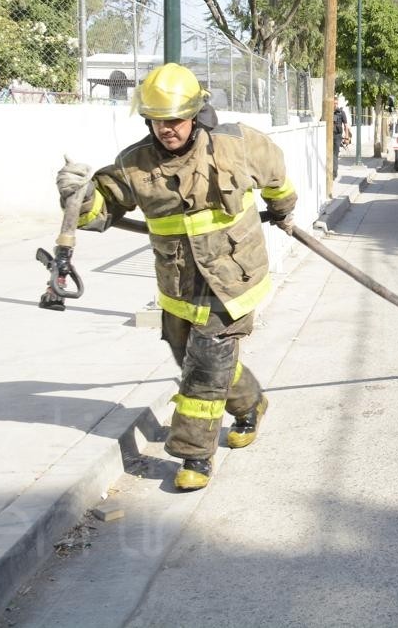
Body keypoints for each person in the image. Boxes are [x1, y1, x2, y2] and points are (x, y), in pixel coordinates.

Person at [54, 63, 297, 491]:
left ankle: (194, 456)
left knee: (204, 370)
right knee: (194, 359)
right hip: (178, 285)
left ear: (195, 115)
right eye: (157, 121)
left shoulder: (236, 145)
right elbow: (100, 213)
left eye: (175, 120)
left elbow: (276, 176)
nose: (166, 129)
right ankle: (251, 404)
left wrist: (282, 211)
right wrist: (80, 195)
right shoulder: (134, 165)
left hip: (231, 279)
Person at [332, 95, 352, 179]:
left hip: (337, 136)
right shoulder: (328, 112)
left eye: (336, 103)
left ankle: (334, 172)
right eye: (334, 103)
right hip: (328, 136)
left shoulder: (341, 113)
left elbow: (346, 126)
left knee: (335, 154)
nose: (335, 105)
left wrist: (347, 137)